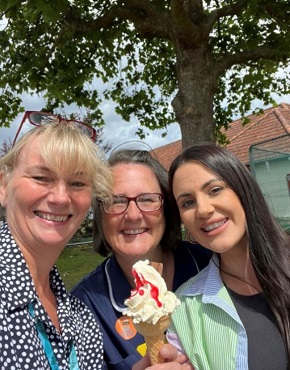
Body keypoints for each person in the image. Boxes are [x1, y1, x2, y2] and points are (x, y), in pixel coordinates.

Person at [71, 148, 211, 370]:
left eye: (147, 199)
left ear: (167, 210)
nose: (134, 215)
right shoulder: (83, 306)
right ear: (100, 214)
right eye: (116, 201)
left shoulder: (210, 264)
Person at [0, 115, 113, 370]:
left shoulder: (82, 318)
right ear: (4, 186)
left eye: (77, 183)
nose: (61, 198)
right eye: (42, 178)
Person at [167, 143, 290, 370]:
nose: (203, 210)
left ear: (244, 191)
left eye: (214, 190)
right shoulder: (184, 309)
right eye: (187, 202)